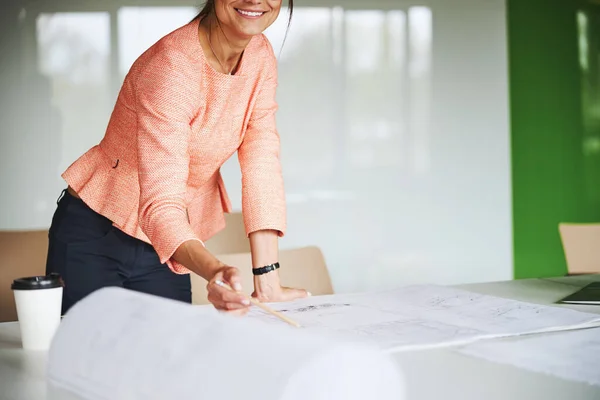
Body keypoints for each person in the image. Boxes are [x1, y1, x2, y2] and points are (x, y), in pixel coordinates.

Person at [45, 0, 309, 315]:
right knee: (85, 357)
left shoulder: (260, 56)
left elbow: (261, 161)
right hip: (95, 233)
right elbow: (160, 200)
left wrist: (268, 280)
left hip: (169, 244)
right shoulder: (171, 66)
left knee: (170, 356)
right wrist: (215, 272)